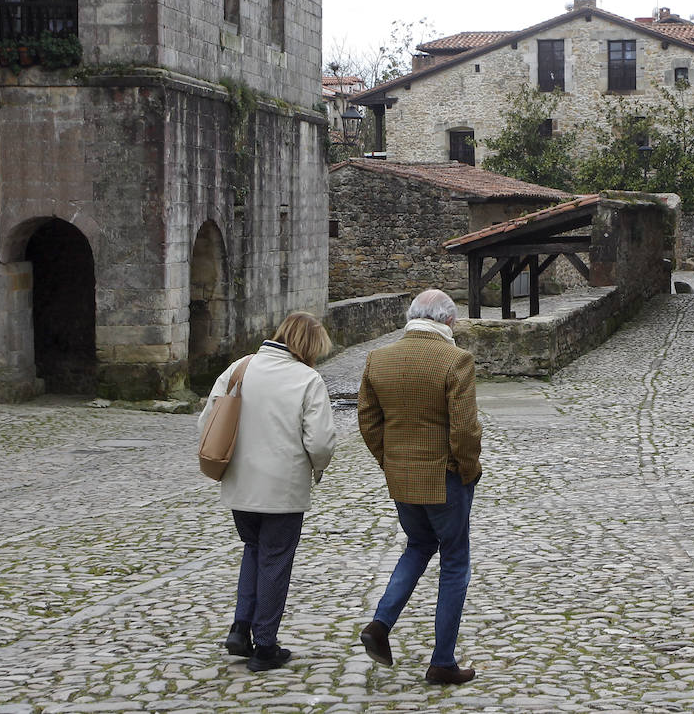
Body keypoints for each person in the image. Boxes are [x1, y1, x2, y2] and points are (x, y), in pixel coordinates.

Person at [198, 311, 337, 672]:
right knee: (275, 560)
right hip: (283, 487)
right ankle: (265, 643)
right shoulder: (308, 380)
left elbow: (207, 420)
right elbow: (320, 442)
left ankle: (241, 627)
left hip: (241, 484)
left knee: (254, 549)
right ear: (308, 346)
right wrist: (317, 468)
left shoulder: (239, 368)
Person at [357, 289, 482, 686]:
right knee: (455, 562)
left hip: (403, 479)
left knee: (418, 545)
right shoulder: (455, 360)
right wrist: (469, 470)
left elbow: (368, 420)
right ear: (447, 322)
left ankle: (380, 624)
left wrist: (389, 461)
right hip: (446, 478)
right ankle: (442, 660)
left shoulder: (379, 359)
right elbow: (465, 430)